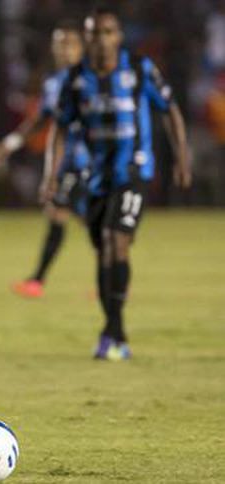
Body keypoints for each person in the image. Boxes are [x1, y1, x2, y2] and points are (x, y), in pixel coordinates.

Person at [45, 7, 191, 360]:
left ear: (119, 36)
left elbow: (169, 108)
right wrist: (50, 175)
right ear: (87, 38)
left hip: (134, 172)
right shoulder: (76, 79)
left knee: (116, 239)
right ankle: (113, 332)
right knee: (103, 250)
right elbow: (59, 128)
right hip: (96, 177)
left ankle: (113, 332)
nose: (101, 39)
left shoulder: (139, 69)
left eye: (107, 32)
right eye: (94, 33)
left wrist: (182, 157)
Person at [0, 23, 89, 298]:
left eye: (69, 44)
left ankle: (110, 279)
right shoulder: (54, 83)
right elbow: (40, 121)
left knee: (73, 215)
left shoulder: (92, 80)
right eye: (59, 44)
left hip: (91, 160)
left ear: (81, 48)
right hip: (69, 161)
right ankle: (39, 281)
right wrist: (8, 145)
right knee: (63, 213)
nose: (64, 50)